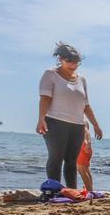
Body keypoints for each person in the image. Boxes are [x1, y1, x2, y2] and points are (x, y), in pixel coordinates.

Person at [36, 42, 102, 188]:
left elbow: (86, 105)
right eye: (69, 61)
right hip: (54, 122)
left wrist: (96, 125)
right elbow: (45, 98)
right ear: (60, 59)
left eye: (77, 62)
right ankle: (54, 191)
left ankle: (72, 192)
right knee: (56, 158)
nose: (73, 64)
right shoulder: (50, 74)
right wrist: (41, 118)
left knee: (72, 161)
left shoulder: (82, 79)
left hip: (77, 126)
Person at [76, 121, 94, 192]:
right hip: (86, 148)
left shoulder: (83, 123)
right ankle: (90, 189)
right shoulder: (86, 129)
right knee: (85, 170)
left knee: (82, 170)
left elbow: (86, 133)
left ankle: (89, 190)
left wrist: (87, 144)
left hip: (83, 148)